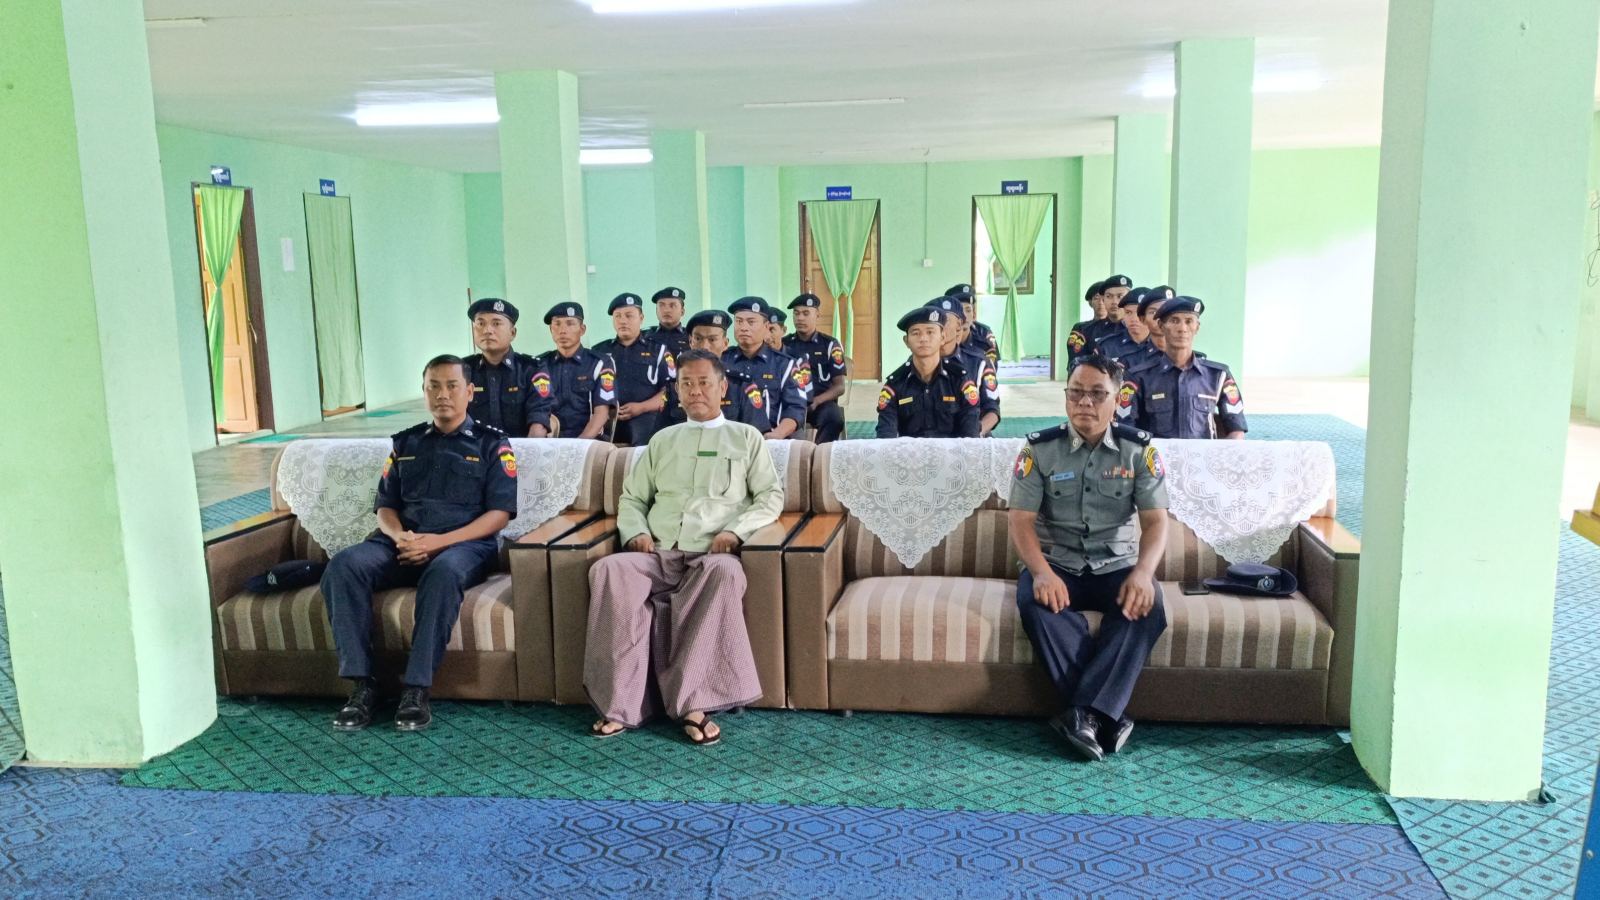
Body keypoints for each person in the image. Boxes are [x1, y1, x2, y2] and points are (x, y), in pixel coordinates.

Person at [584, 349, 784, 746]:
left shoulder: (746, 438)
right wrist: (635, 532)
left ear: (722, 388)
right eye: (686, 384)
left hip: (711, 554)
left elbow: (770, 497)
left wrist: (736, 531)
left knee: (725, 573)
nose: (695, 391)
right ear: (676, 391)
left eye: (704, 383)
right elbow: (633, 499)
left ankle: (693, 703)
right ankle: (620, 705)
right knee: (608, 570)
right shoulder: (662, 441)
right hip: (656, 553)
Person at [322, 355, 518, 732]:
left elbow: (499, 514)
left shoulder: (493, 444)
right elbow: (385, 506)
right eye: (433, 387)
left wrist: (439, 542)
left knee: (443, 573)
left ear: (469, 392)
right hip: (403, 541)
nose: (442, 395)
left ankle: (416, 689)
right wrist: (400, 536)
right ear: (424, 391)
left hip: (463, 545)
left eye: (452, 386)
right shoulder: (406, 442)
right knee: (344, 566)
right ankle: (362, 686)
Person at [1008, 355, 1169, 761]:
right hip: (1056, 565)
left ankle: (1083, 715)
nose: (1085, 402)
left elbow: (1155, 522)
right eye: (1076, 393)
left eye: (1097, 394)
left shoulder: (1138, 450)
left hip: (1115, 565)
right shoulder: (1039, 449)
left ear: (1118, 398)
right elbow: (1020, 521)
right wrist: (1041, 574)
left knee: (1148, 607)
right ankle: (1107, 716)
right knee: (1036, 605)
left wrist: (1143, 573)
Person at [1117, 296, 1247, 439]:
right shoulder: (1138, 377)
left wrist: (1220, 453)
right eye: (1174, 321)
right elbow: (1125, 428)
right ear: (1161, 326)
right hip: (1155, 453)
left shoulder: (1218, 376)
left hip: (1203, 453)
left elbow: (1236, 429)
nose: (1182, 328)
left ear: (1197, 327)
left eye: (1189, 321)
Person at [876, 306, 980, 438]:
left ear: (943, 337)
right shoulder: (895, 385)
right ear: (906, 341)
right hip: (910, 451)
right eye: (916, 333)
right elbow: (885, 437)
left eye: (930, 332)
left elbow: (971, 435)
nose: (923, 338)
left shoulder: (960, 380)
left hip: (952, 451)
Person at [593, 293, 675, 446]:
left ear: (641, 318)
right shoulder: (599, 351)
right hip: (607, 426)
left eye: (629, 315)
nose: (623, 321)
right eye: (618, 316)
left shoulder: (659, 351)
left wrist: (642, 407)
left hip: (647, 424)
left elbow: (670, 391)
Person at [722, 296, 805, 440]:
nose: (743, 327)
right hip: (728, 439)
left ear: (766, 327)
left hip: (770, 439)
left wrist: (777, 434)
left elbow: (796, 408)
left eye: (751, 322)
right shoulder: (722, 361)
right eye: (739, 321)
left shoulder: (785, 364)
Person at [530, 303, 617, 440]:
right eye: (557, 324)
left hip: (589, 441)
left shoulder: (600, 362)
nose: (562, 330)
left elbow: (602, 413)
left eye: (570, 324)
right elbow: (537, 411)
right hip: (550, 441)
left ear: (582, 329)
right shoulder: (540, 364)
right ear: (551, 329)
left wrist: (578, 445)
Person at [462, 298, 547, 437]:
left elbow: (539, 415)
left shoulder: (532, 368)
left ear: (512, 333)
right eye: (481, 324)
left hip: (518, 447)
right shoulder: (463, 369)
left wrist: (529, 447)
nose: (487, 330)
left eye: (496, 323)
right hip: (474, 448)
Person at [682, 309, 772, 429]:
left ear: (725, 343)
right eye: (698, 339)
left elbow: (755, 432)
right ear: (690, 342)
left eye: (712, 339)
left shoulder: (741, 385)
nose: (704, 346)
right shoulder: (675, 385)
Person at [927, 296, 1001, 436]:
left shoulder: (979, 362)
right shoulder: (919, 363)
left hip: (973, 437)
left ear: (959, 327)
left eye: (945, 321)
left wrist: (975, 436)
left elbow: (992, 410)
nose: (941, 328)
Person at [782, 293, 848, 443]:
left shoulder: (830, 344)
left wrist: (817, 401)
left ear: (817, 314)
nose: (800, 318)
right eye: (796, 313)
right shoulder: (785, 344)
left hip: (821, 403)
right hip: (791, 403)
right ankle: (792, 454)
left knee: (834, 419)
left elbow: (839, 387)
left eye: (806, 313)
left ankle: (819, 453)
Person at [763, 306, 813, 405]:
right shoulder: (755, 358)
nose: (767, 337)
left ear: (784, 330)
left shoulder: (797, 359)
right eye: (764, 330)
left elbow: (807, 396)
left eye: (771, 330)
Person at [947, 283, 998, 364]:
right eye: (959, 310)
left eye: (968, 310)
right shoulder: (942, 334)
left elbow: (991, 366)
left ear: (974, 314)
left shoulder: (984, 333)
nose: (964, 316)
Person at [643, 286, 691, 358]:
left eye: (672, 306)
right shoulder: (644, 336)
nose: (666, 310)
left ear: (682, 312)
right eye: (661, 305)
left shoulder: (691, 337)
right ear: (656, 311)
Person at [1066, 281, 1106, 365]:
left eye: (1105, 298)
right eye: (1096, 298)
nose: (1101, 302)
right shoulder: (1081, 328)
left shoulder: (1119, 327)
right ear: (1090, 303)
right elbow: (1075, 359)